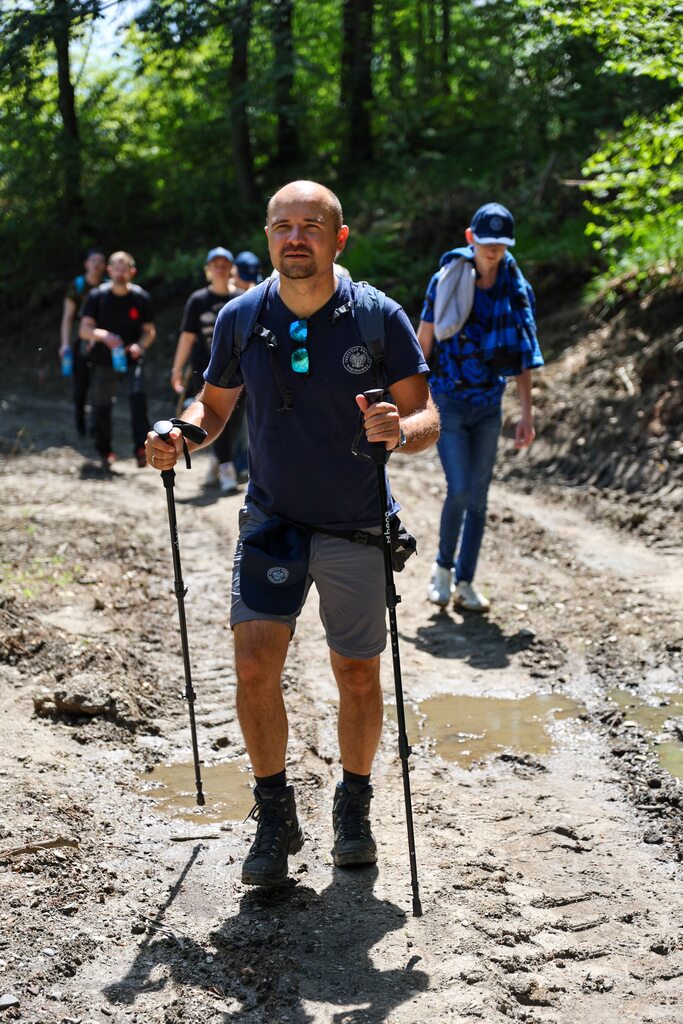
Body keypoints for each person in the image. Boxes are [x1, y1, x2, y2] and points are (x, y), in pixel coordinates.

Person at [147, 180, 439, 887]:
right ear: (268, 237)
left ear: (339, 237)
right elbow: (213, 409)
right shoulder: (241, 316)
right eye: (283, 225)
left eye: (311, 225)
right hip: (272, 519)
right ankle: (274, 814)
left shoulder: (378, 317)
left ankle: (353, 806)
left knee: (357, 673)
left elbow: (427, 417)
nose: (295, 236)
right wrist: (181, 433)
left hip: (355, 524)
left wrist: (399, 432)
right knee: (253, 664)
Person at [417, 202, 544, 612]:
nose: (493, 250)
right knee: (459, 489)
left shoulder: (517, 290)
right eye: (486, 241)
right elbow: (424, 341)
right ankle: (442, 570)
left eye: (501, 243)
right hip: (449, 402)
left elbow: (522, 356)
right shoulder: (446, 279)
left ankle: (466, 581)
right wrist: (415, 401)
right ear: (471, 238)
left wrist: (526, 414)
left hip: (489, 405)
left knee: (479, 498)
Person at [171, 247, 244, 493]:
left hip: (239, 372)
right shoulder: (198, 300)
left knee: (233, 421)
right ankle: (226, 468)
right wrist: (177, 369)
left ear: (232, 269)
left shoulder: (242, 299)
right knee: (212, 413)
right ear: (208, 269)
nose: (220, 269)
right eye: (216, 265)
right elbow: (187, 336)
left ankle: (217, 460)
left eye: (225, 264)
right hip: (206, 372)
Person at [80, 251, 156, 470]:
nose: (121, 273)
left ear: (132, 272)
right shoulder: (97, 296)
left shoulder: (141, 298)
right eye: (117, 269)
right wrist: (103, 335)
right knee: (102, 405)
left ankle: (141, 448)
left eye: (125, 269)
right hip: (104, 359)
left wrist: (139, 345)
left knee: (138, 398)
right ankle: (105, 451)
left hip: (131, 358)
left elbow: (149, 332)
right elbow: (84, 329)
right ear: (109, 270)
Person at [59, 247, 107, 436]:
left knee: (100, 385)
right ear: (86, 264)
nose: (97, 264)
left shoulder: (107, 286)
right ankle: (80, 423)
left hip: (102, 341)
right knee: (81, 386)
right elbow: (68, 317)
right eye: (93, 260)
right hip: (80, 342)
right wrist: (65, 344)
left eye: (100, 261)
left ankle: (96, 426)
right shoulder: (77, 286)